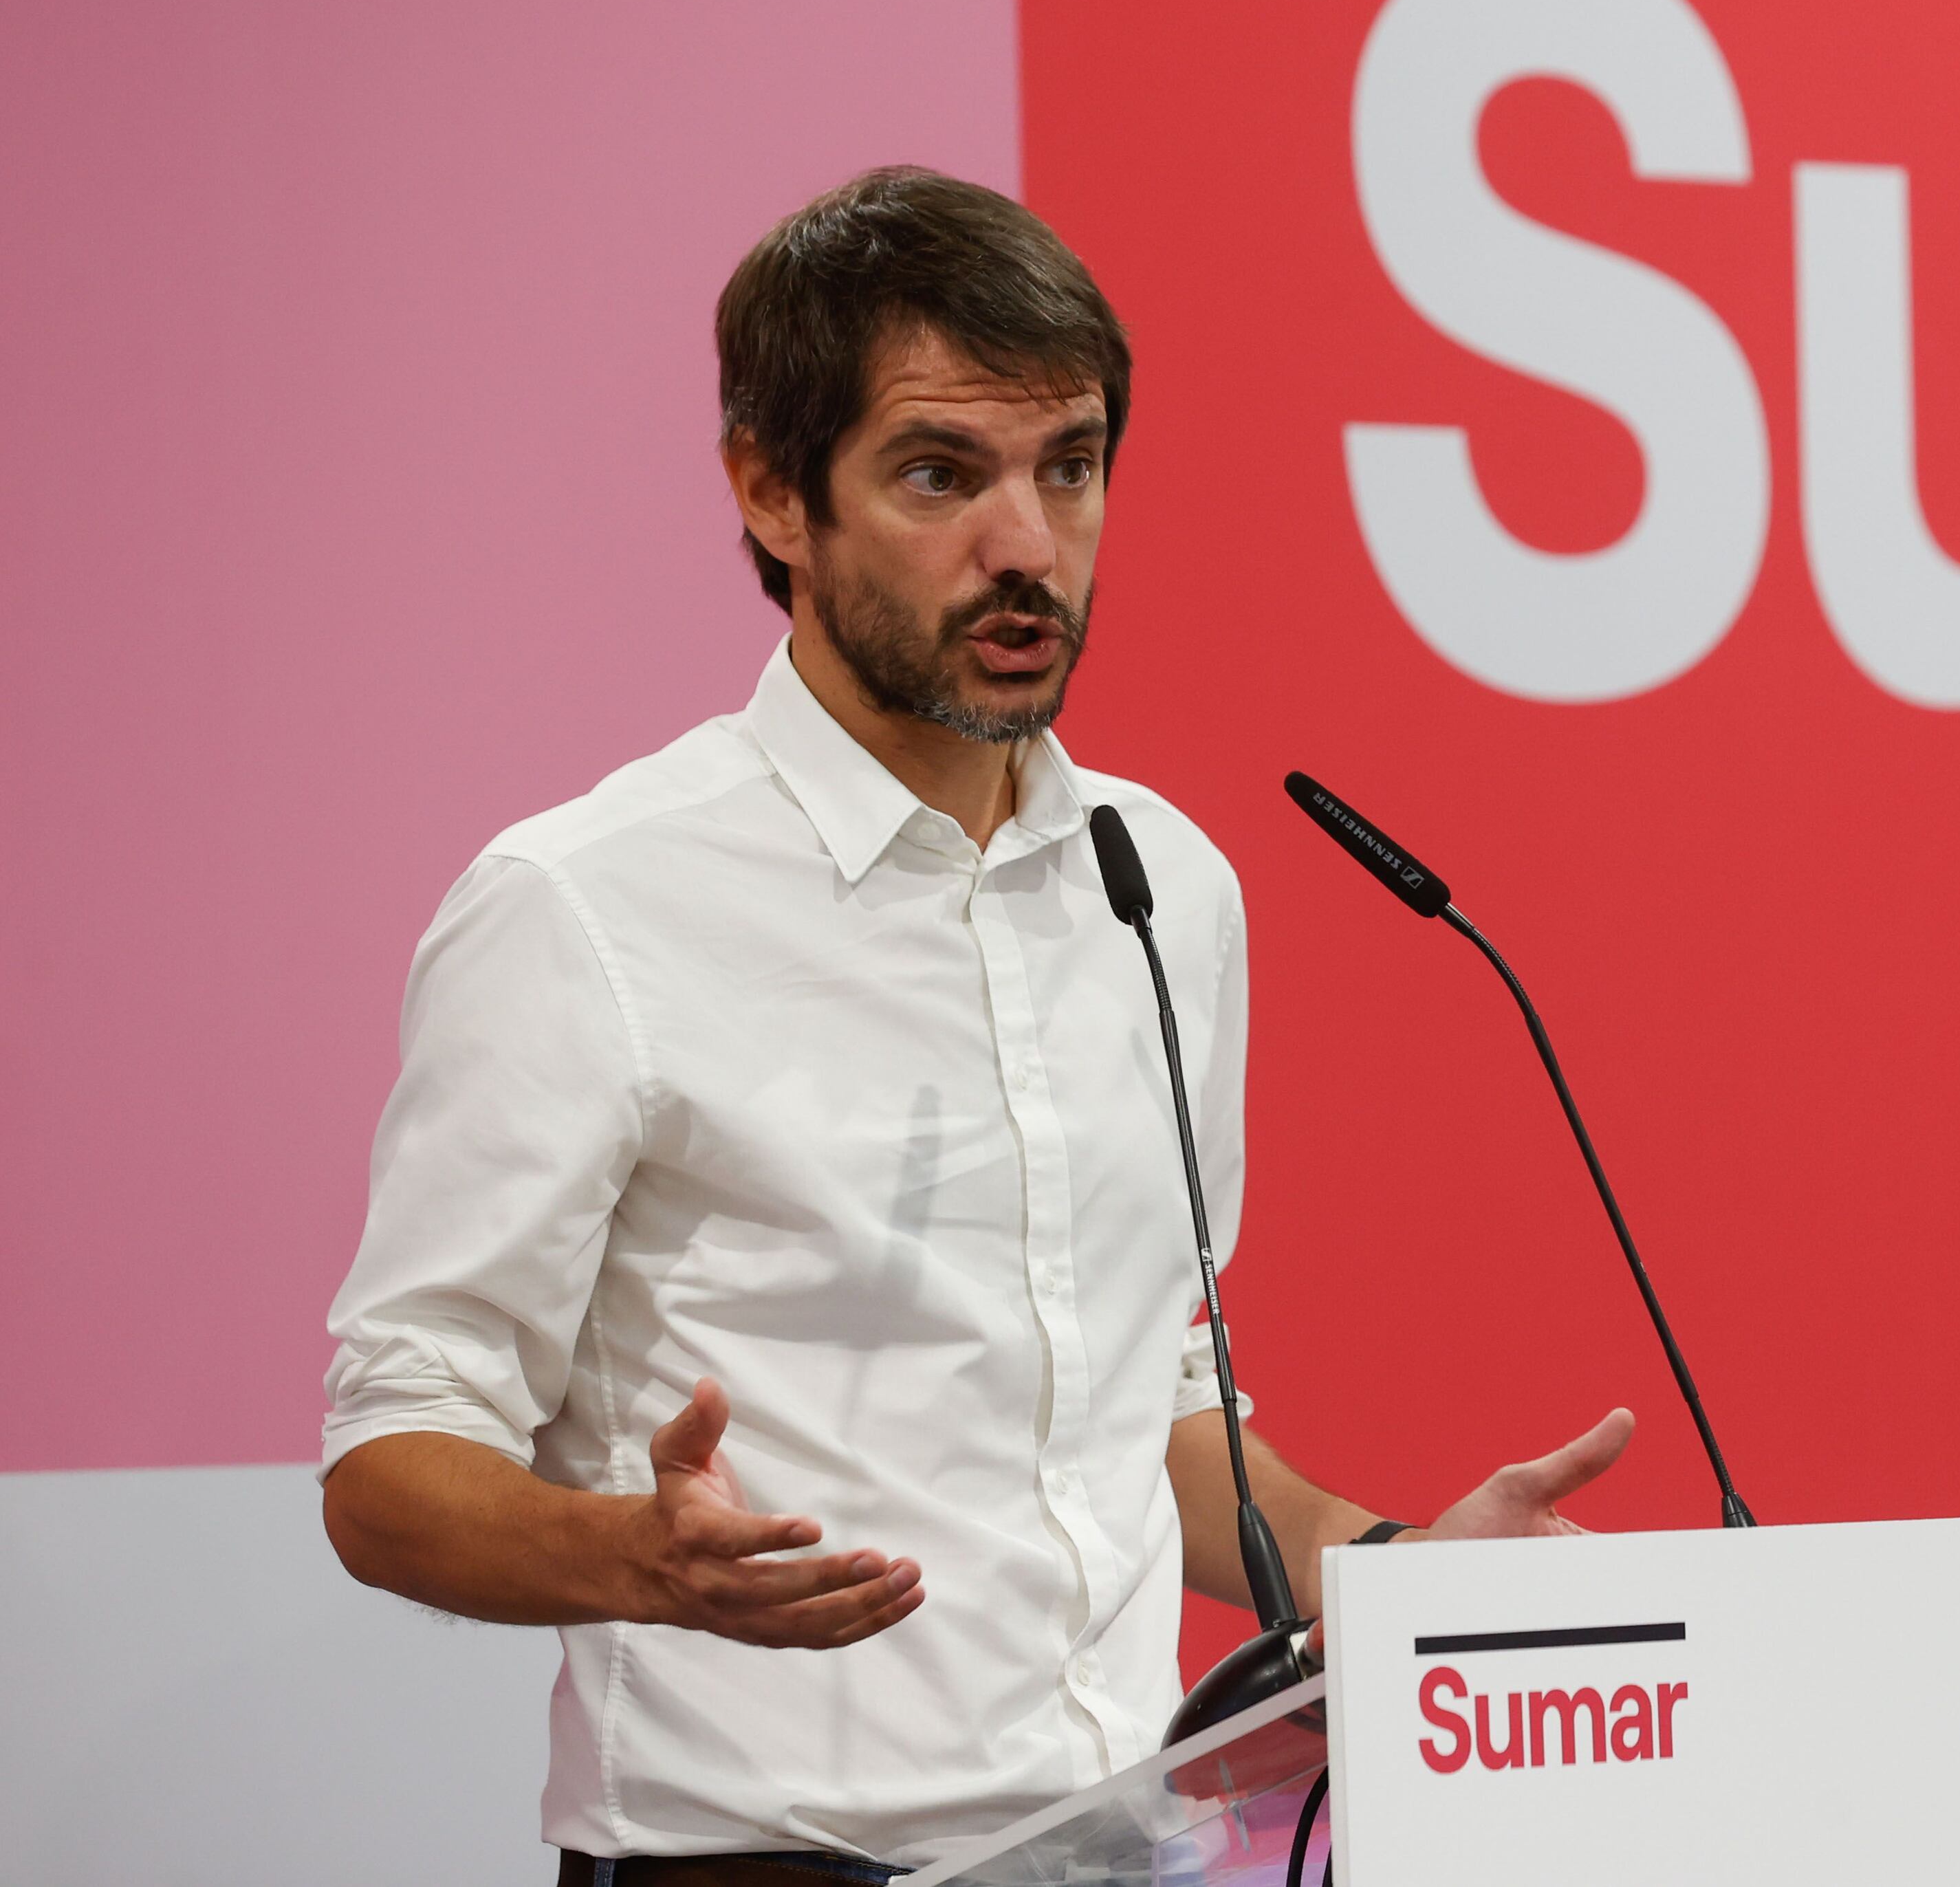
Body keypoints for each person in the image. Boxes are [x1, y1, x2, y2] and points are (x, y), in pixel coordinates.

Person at [320, 167, 1632, 1885]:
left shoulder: (1161, 885)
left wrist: (1391, 1567)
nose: (1027, 544)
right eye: (942, 472)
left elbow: (1137, 1414)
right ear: (774, 492)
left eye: (1068, 467)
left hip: (1131, 1848)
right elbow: (389, 1458)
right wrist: (643, 1558)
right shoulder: (586, 905)